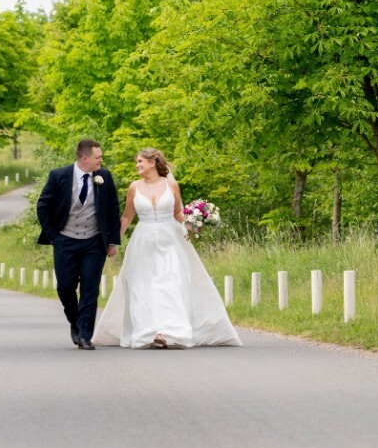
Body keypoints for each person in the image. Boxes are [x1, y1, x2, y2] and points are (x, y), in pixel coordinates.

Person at [93, 147, 242, 349]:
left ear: (152, 162)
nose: (137, 165)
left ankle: (170, 332)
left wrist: (194, 222)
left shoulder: (171, 184)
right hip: (143, 241)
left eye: (140, 162)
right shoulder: (134, 187)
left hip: (171, 240)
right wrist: (112, 242)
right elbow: (127, 217)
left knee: (171, 283)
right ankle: (148, 332)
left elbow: (178, 213)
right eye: (136, 162)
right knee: (143, 286)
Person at [37, 139, 120, 350]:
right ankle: (75, 322)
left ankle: (85, 335)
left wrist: (112, 242)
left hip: (94, 241)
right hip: (65, 239)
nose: (101, 160)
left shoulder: (105, 177)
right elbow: (43, 205)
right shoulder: (59, 176)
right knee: (65, 287)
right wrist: (53, 236)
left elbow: (112, 209)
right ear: (85, 158)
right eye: (98, 157)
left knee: (90, 288)